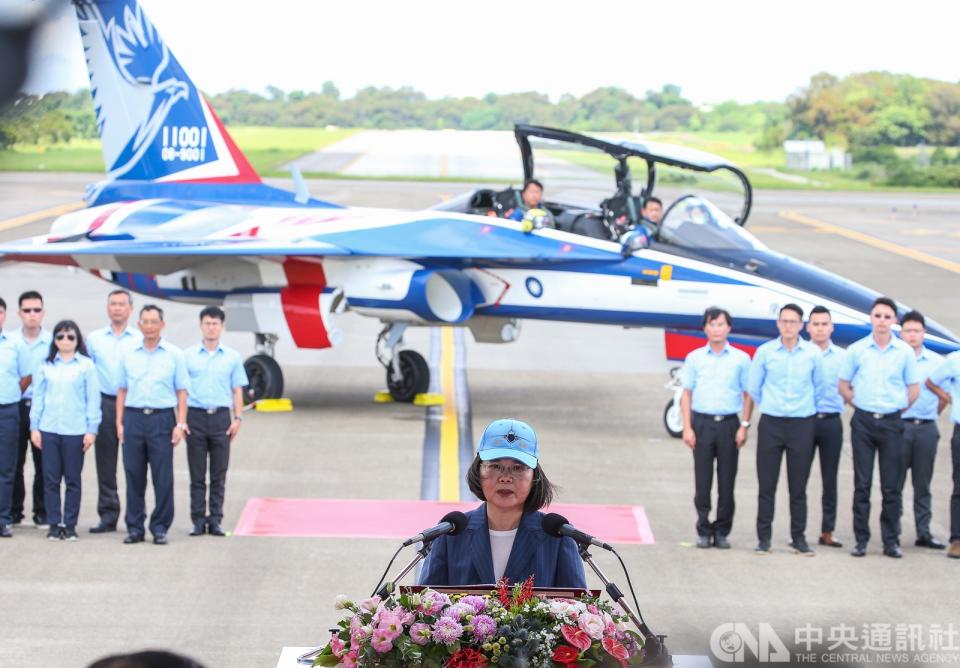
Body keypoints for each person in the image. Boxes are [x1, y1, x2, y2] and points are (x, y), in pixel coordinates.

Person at [418, 419, 587, 588]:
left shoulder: (557, 536)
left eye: (518, 468)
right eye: (495, 466)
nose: (505, 477)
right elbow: (427, 606)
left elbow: (577, 606)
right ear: (478, 471)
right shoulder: (451, 533)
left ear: (534, 477)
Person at [839, 296, 920, 559]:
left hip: (892, 422)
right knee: (862, 483)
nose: (882, 321)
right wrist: (859, 404)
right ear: (871, 319)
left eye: (887, 317)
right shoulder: (857, 350)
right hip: (863, 421)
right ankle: (861, 539)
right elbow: (843, 384)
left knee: (891, 485)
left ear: (894, 321)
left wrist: (895, 409)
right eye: (878, 316)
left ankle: (890, 540)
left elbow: (914, 389)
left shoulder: (904, 352)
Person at [748, 303, 826, 556]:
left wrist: (801, 409)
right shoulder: (766, 352)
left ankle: (799, 537)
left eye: (793, 321)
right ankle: (764, 538)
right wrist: (773, 405)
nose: (788, 326)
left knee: (798, 486)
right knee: (767, 484)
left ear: (801, 325)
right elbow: (754, 387)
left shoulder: (812, 353)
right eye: (784, 321)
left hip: (802, 424)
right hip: (771, 422)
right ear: (778, 323)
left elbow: (821, 387)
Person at [680, 307, 753, 549]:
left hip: (729, 424)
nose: (716, 329)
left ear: (728, 328)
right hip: (702, 423)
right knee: (702, 481)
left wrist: (744, 425)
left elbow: (747, 394)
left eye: (721, 324)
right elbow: (686, 394)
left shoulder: (741, 359)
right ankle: (703, 528)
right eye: (712, 324)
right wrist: (688, 428)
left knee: (726, 480)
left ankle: (722, 530)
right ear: (705, 328)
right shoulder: (695, 358)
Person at [116, 304, 189, 545]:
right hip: (134, 417)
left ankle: (160, 527)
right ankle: (135, 527)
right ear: (139, 325)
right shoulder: (128, 353)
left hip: (161, 419)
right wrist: (120, 423)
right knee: (133, 475)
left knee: (162, 476)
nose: (149, 326)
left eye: (153, 322)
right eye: (145, 322)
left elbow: (181, 392)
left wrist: (180, 424)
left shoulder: (174, 354)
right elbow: (122, 390)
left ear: (162, 325)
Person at [29, 320, 100, 541]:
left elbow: (92, 399)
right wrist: (34, 427)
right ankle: (53, 523)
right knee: (50, 479)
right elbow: (38, 397)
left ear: (78, 340)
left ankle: (69, 524)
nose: (65, 341)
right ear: (54, 340)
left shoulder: (86, 365)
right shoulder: (46, 364)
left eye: (70, 336)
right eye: (60, 336)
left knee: (72, 479)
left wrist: (91, 430)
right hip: (49, 428)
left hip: (75, 429)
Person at [183, 306, 248, 537]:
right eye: (207, 323)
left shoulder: (232, 357)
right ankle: (198, 520)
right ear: (201, 325)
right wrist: (181, 421)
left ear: (222, 327)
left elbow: (237, 389)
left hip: (221, 417)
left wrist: (237, 417)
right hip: (196, 416)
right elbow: (181, 391)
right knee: (197, 474)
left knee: (219, 474)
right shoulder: (188, 356)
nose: (211, 327)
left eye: (215, 323)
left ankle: (216, 519)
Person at [86, 289, 142, 533]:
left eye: (122, 304)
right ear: (107, 308)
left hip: (132, 405)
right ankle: (108, 515)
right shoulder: (95, 339)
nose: (117, 308)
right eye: (113, 304)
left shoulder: (140, 338)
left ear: (130, 308)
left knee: (134, 463)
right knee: (105, 462)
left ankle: (135, 517)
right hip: (105, 403)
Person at [896, 311, 946, 550]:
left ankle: (923, 532)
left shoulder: (936, 361)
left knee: (922, 483)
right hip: (900, 427)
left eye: (917, 331)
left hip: (926, 426)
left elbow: (944, 394)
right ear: (901, 333)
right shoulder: (894, 358)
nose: (912, 335)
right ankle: (892, 532)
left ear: (924, 333)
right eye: (908, 331)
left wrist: (932, 414)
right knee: (894, 482)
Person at [805, 306, 846, 548]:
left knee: (830, 479)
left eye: (824, 324)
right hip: (805, 421)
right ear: (808, 327)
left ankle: (827, 530)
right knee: (799, 477)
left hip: (831, 421)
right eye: (816, 324)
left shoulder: (842, 357)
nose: (820, 328)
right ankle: (797, 530)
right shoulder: (800, 353)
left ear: (831, 327)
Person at [13, 290, 52, 528]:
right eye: (27, 310)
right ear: (19, 313)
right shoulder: (8, 341)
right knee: (12, 462)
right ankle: (13, 510)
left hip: (43, 407)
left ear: (43, 312)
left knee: (44, 463)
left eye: (36, 310)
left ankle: (42, 511)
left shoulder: (53, 342)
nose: (32, 315)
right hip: (16, 405)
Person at [924, 348, 960, 558]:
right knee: (959, 486)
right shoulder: (955, 359)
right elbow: (931, 381)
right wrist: (948, 398)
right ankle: (957, 539)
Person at [0, 297, 29, 538]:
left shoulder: (14, 344)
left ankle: (3, 518)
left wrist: (9, 392)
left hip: (8, 411)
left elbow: (26, 376)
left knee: (7, 467)